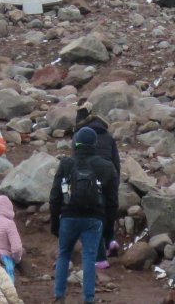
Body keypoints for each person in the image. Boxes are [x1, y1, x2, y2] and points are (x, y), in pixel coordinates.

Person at [49, 127, 119, 304]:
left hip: (68, 216)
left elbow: (55, 195)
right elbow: (112, 202)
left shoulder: (66, 163)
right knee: (89, 257)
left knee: (64, 253)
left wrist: (55, 222)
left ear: (76, 143)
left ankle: (59, 295)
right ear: (95, 144)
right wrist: (109, 230)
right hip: (94, 219)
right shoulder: (106, 166)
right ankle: (89, 299)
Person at [75, 103, 122, 268]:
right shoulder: (108, 136)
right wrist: (116, 179)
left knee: (95, 212)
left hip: (92, 174)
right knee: (110, 209)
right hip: (111, 173)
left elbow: (78, 159)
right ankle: (111, 240)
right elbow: (116, 161)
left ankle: (100, 257)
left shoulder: (81, 136)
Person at [0, 194, 23, 282]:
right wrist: (16, 259)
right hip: (4, 260)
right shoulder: (9, 223)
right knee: (7, 291)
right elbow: (17, 248)